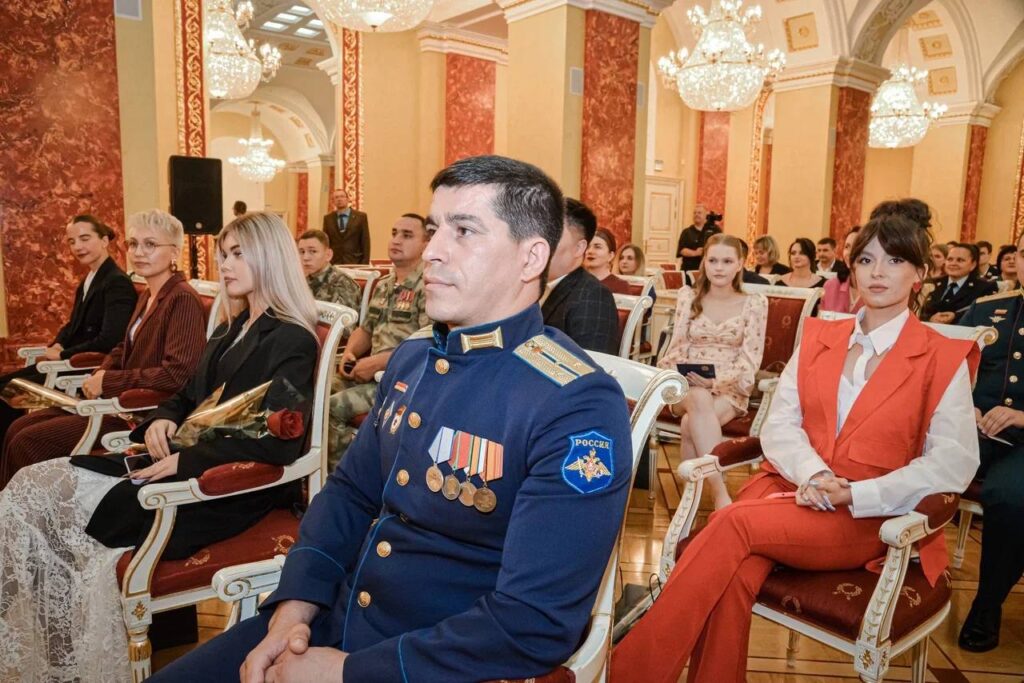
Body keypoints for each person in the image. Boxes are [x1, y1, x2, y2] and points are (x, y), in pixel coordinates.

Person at [149, 154, 633, 683]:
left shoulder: (575, 403)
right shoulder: (414, 359)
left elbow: (532, 623)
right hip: (332, 617)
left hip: (431, 661)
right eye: (435, 228)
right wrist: (294, 607)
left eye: (463, 230)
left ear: (531, 257)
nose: (433, 250)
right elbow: (351, 493)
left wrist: (348, 672)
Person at [611, 213, 980, 683]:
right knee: (735, 574)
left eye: (894, 260)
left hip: (866, 514)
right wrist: (814, 474)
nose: (877, 272)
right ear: (852, 268)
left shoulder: (940, 356)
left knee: (730, 523)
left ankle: (626, 674)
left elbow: (953, 462)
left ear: (920, 273)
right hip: (788, 488)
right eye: (866, 259)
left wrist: (855, 493)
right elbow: (780, 424)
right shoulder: (821, 337)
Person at [0, 211, 320, 681]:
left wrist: (186, 461)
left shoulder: (292, 338)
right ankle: (56, 655)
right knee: (32, 485)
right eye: (223, 254)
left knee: (69, 514)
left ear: (269, 257)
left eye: (237, 254)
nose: (224, 264)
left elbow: (277, 443)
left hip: (226, 489)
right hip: (178, 458)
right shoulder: (232, 326)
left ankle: (72, 661)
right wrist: (164, 418)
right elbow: (187, 393)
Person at [0, 209, 207, 488]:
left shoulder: (182, 299)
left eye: (150, 244)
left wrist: (108, 381)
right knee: (19, 426)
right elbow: (123, 346)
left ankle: (35, 513)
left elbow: (178, 375)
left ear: (175, 252)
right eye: (133, 244)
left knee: (28, 440)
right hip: (117, 403)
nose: (139, 252)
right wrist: (101, 371)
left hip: (142, 414)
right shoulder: (149, 293)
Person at [0, 215, 138, 443]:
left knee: (8, 393)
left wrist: (63, 355)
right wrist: (58, 343)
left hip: (84, 368)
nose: (78, 247)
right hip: (68, 361)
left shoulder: (116, 281)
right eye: (72, 241)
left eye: (85, 238)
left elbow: (110, 339)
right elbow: (73, 325)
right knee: (4, 385)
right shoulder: (89, 279)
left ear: (104, 240)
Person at [659, 234, 767, 510]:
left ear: (740, 264)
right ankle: (720, 494)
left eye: (727, 261)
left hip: (730, 388)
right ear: (704, 262)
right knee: (698, 397)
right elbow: (675, 349)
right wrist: (683, 375)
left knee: (690, 424)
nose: (719, 268)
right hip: (686, 386)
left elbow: (750, 361)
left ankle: (690, 501)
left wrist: (715, 381)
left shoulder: (754, 303)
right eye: (713, 260)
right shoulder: (688, 297)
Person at [957, 230, 1024, 652]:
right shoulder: (987, 310)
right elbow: (947, 365)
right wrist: (964, 408)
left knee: (1012, 497)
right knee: (902, 458)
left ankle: (987, 603)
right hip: (971, 428)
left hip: (1022, 442)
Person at [327, 214, 430, 469]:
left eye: (407, 235)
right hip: (371, 373)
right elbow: (366, 329)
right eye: (394, 233)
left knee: (332, 408)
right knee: (316, 393)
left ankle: (346, 478)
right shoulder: (385, 285)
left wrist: (377, 363)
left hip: (403, 380)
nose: (396, 240)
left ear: (426, 244)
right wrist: (350, 353)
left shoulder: (428, 286)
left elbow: (428, 344)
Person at [541, 198, 619, 354]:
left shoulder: (593, 296)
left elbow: (589, 363)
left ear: (579, 248)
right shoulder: (532, 286)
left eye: (551, 235)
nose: (540, 243)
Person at [921, 243, 997, 324]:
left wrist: (955, 317)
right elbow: (920, 312)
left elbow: (982, 314)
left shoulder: (984, 288)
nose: (953, 263)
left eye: (960, 260)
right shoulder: (933, 283)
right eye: (950, 259)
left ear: (973, 265)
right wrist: (930, 318)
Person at [297, 229, 361, 312]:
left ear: (328, 255)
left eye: (313, 251)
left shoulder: (344, 285)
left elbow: (345, 319)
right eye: (302, 252)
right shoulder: (299, 280)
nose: (305, 258)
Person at [322, 188, 370, 265]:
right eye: (336, 197)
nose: (339, 199)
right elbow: (326, 242)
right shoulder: (328, 219)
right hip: (334, 262)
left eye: (342, 196)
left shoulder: (360, 217)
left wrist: (365, 264)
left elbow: (365, 241)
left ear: (347, 199)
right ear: (333, 201)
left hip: (355, 261)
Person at [821, 227, 862, 314]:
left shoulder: (878, 289)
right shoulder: (831, 286)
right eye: (847, 247)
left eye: (856, 246)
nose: (849, 252)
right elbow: (823, 320)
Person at [586, 228, 632, 294]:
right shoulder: (575, 282)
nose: (590, 251)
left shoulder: (620, 287)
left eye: (597, 247)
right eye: (587, 247)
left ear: (610, 256)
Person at [676, 204, 721, 271]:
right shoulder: (686, 232)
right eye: (695, 213)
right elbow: (682, 250)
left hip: (710, 269)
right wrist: (695, 253)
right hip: (690, 269)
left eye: (699, 213)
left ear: (706, 215)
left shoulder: (715, 230)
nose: (696, 215)